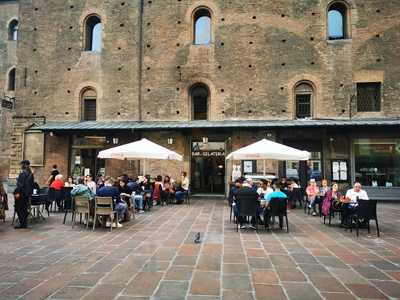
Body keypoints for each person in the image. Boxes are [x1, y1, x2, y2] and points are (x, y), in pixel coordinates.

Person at [14, 160, 34, 229]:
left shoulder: (23, 173)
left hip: (21, 194)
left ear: (25, 165)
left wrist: (17, 193)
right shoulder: (30, 173)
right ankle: (24, 223)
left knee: (19, 208)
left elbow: (20, 185)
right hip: (27, 194)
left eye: (22, 164)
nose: (21, 166)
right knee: (23, 208)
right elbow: (31, 185)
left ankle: (22, 224)